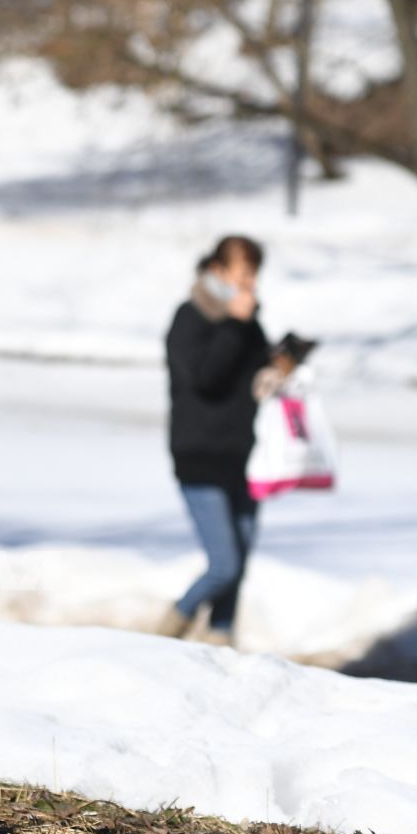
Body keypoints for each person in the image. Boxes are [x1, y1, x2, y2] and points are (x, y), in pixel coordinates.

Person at [158, 235, 274, 646]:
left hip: (245, 456)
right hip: (200, 455)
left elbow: (257, 375)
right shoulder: (191, 318)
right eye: (243, 274)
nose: (250, 284)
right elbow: (205, 378)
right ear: (218, 271)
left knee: (239, 563)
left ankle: (221, 639)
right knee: (223, 564)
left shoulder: (248, 324)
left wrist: (285, 361)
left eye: (254, 275)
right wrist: (232, 324)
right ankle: (166, 630)